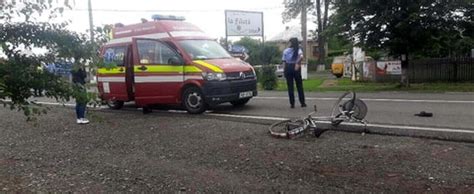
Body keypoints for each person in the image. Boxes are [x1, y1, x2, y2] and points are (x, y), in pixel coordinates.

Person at [282, 37, 306, 108]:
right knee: (299, 86)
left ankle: (292, 104)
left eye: (289, 42)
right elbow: (301, 57)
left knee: (290, 87)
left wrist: (284, 71)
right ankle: (302, 103)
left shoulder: (286, 51)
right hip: (296, 68)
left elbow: (284, 61)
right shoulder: (298, 50)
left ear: (291, 43)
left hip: (288, 67)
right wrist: (297, 63)